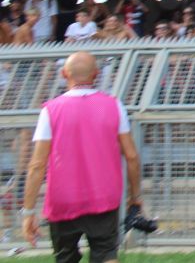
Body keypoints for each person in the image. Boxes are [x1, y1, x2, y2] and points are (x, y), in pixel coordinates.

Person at [20, 52, 144, 263]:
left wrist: (28, 211)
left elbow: (37, 165)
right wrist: (135, 196)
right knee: (106, 254)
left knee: (65, 257)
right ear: (96, 74)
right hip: (103, 196)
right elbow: (131, 156)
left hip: (63, 199)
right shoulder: (114, 106)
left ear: (63, 74)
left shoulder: (50, 110)